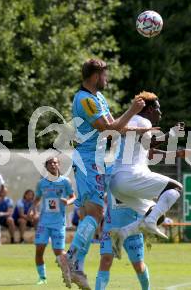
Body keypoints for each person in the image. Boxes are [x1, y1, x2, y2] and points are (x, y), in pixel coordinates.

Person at [58, 58, 147, 288]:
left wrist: (140, 129)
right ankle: (71, 258)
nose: (107, 79)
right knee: (95, 213)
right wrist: (133, 110)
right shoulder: (85, 99)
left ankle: (76, 265)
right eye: (105, 75)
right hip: (88, 160)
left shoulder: (99, 98)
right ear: (96, 76)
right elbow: (108, 128)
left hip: (96, 161)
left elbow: (115, 126)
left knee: (94, 214)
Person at [108, 91, 191, 255]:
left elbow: (149, 152)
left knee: (157, 214)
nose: (160, 113)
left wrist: (179, 154)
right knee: (176, 188)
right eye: (158, 109)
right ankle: (149, 222)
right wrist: (172, 134)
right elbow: (150, 143)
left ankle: (122, 234)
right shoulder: (143, 121)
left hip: (116, 184)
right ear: (149, 110)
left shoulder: (131, 121)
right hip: (130, 176)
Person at [95, 168, 150, 290]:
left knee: (138, 267)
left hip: (132, 229)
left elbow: (148, 194)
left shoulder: (138, 169)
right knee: (105, 260)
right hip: (110, 228)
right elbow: (99, 192)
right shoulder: (108, 171)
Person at [28, 157, 76, 286]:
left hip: (58, 223)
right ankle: (42, 278)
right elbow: (37, 198)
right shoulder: (41, 183)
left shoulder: (65, 182)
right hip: (44, 223)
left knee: (58, 253)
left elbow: (73, 197)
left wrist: (68, 201)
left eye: (55, 162)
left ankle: (69, 271)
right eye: (50, 163)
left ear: (58, 165)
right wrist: (32, 209)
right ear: (46, 166)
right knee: (39, 250)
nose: (53, 165)